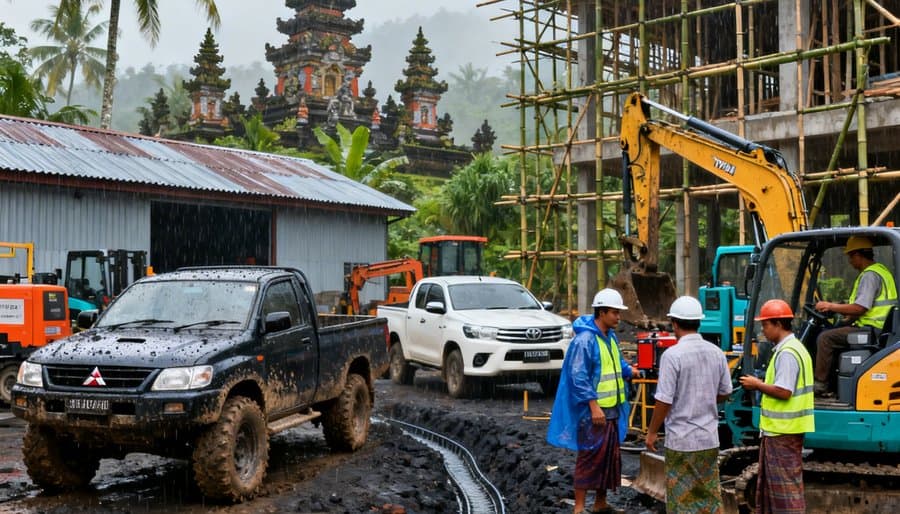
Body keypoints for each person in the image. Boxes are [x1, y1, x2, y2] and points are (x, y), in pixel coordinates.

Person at [547, 288, 638, 514]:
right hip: (594, 413)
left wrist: (629, 370)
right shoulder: (585, 340)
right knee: (590, 458)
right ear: (602, 312)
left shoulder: (610, 337)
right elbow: (578, 376)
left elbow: (615, 363)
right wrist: (593, 406)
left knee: (608, 460)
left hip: (612, 410)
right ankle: (579, 508)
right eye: (615, 313)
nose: (618, 317)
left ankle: (600, 503)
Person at [646, 296, 732, 514]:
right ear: (698, 322)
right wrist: (703, 400)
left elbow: (664, 400)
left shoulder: (672, 356)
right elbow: (725, 392)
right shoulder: (716, 353)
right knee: (710, 498)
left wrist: (652, 432)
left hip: (681, 442)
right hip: (708, 439)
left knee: (682, 501)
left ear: (675, 323)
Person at [739, 299, 814, 514]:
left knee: (786, 491)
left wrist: (757, 384)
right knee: (778, 489)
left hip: (783, 431)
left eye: (765, 325)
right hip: (782, 431)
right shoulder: (793, 348)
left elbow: (784, 391)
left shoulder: (788, 353)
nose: (763, 330)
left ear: (778, 324)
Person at [814, 236, 897, 396]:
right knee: (835, 330)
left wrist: (830, 306)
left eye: (851, 256)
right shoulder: (881, 270)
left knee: (825, 338)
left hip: (872, 331)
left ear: (859, 255)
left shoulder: (869, 276)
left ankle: (821, 385)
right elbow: (866, 305)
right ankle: (833, 384)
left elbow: (860, 308)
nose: (850, 261)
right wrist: (843, 312)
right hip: (881, 329)